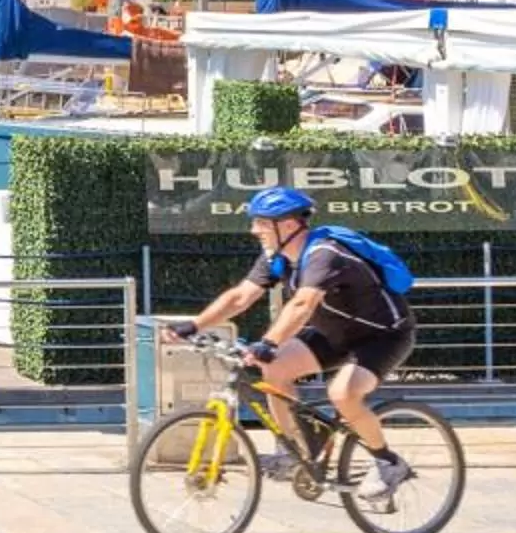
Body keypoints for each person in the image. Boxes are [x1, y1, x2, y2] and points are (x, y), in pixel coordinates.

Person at [161, 186, 415, 502]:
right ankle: (295, 450)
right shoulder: (278, 258)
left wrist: (268, 341)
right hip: (333, 335)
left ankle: (388, 462)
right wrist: (193, 325)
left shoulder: (326, 253)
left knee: (342, 393)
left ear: (289, 225)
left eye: (262, 223)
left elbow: (302, 305)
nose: (255, 231)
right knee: (274, 368)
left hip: (383, 335)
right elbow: (241, 296)